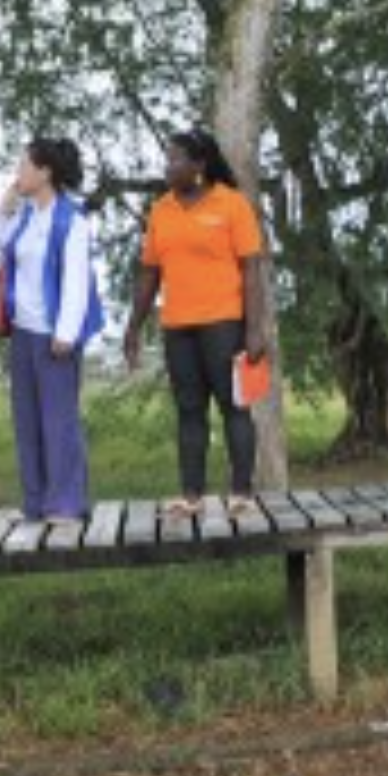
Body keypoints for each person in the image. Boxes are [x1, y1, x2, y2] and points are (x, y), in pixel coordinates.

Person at [122, 128, 266, 519]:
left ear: (199, 165)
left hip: (223, 323)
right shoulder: (161, 209)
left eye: (176, 159)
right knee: (189, 410)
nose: (168, 167)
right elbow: (149, 273)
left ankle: (240, 492)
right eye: (167, 159)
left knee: (234, 407)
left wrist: (255, 329)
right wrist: (133, 325)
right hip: (178, 326)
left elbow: (251, 270)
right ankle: (191, 495)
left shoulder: (232, 205)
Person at [0, 137, 102, 520]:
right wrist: (5, 202)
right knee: (27, 419)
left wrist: (66, 332)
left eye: (23, 166)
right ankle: (35, 500)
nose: (17, 173)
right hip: (23, 330)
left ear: (45, 171)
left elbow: (77, 282)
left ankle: (66, 501)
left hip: (55, 334)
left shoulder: (72, 219)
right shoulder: (26, 215)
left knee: (58, 419)